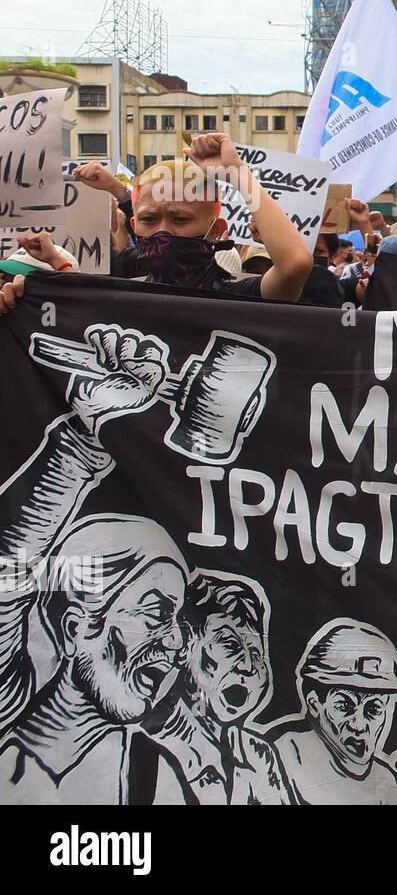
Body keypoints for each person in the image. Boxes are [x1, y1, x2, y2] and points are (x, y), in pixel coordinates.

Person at [0, 331, 190, 803]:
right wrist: (80, 448)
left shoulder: (153, 780)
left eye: (177, 618)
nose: (174, 643)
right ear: (73, 627)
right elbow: (10, 571)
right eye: (156, 612)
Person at [78, 141, 312, 301]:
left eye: (180, 219)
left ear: (215, 231)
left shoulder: (238, 298)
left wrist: (237, 173)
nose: (163, 232)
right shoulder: (116, 297)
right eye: (149, 219)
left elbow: (295, 265)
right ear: (134, 225)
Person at [142, 572, 292, 805]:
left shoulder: (258, 754)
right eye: (230, 644)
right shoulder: (145, 744)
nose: (247, 665)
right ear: (188, 643)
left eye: (256, 653)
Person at [267, 619, 397, 805]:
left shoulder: (385, 782)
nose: (358, 726)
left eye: (374, 709)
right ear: (314, 704)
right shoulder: (280, 754)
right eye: (344, 706)